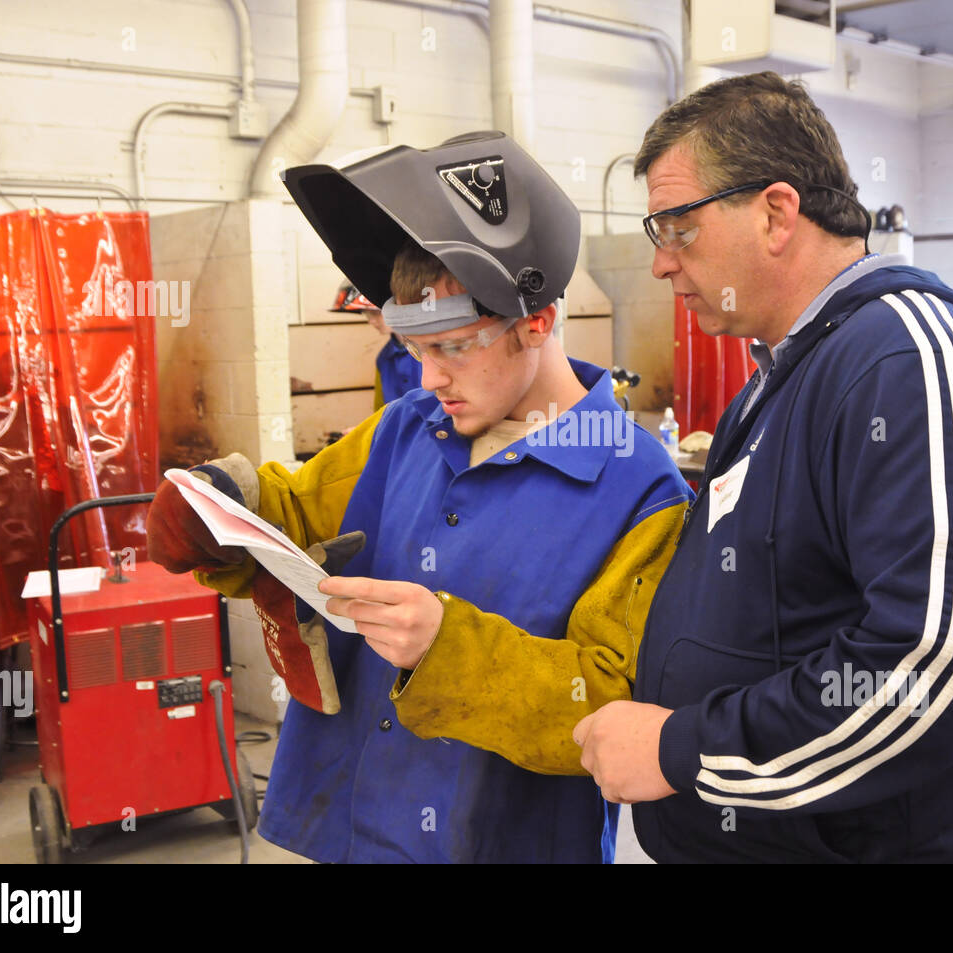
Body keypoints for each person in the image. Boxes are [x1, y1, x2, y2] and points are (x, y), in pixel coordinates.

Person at [147, 131, 691, 863]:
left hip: (494, 840)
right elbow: (301, 512)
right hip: (352, 823)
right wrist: (222, 504)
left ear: (536, 320)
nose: (428, 379)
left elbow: (609, 701)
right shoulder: (406, 428)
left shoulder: (643, 491)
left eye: (454, 347)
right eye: (415, 352)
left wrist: (450, 647)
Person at [575, 71, 953, 863]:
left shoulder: (908, 359)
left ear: (776, 212)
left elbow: (947, 664)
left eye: (677, 228)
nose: (662, 265)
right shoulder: (785, 375)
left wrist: (683, 750)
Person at [328, 281, 423, 410]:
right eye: (366, 314)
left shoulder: (430, 350)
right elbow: (380, 411)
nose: (371, 321)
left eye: (375, 313)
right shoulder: (384, 358)